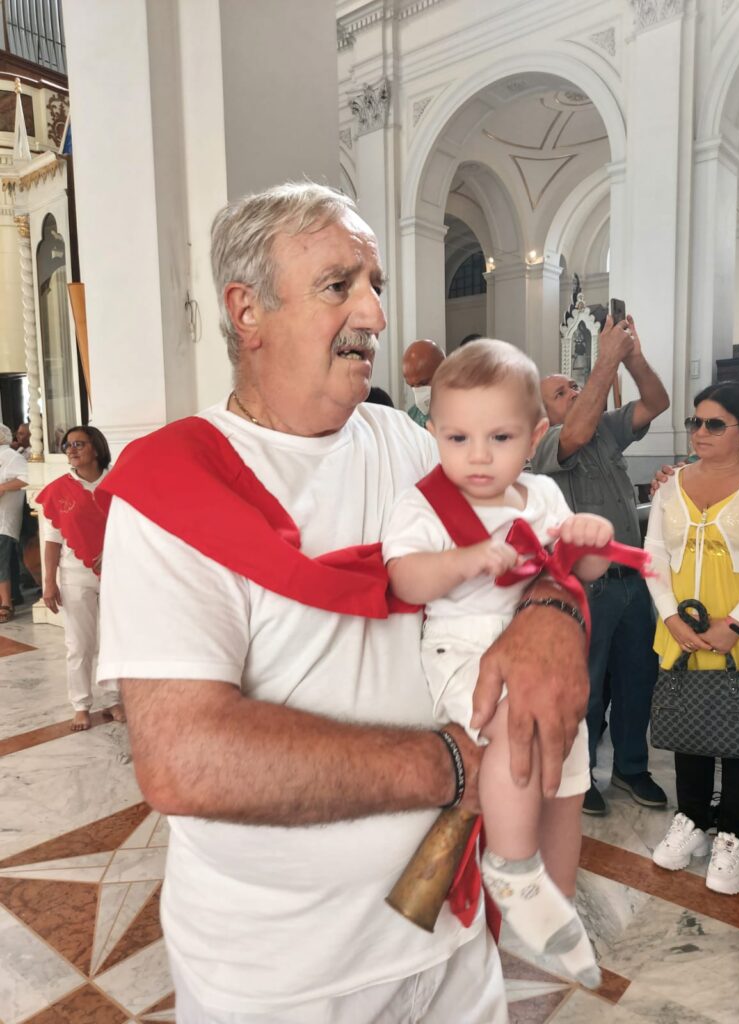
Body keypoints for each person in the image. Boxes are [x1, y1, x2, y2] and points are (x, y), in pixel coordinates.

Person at [95, 182, 589, 1024]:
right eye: (339, 285)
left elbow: (538, 544)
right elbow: (187, 759)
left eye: (377, 284)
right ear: (247, 310)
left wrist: (552, 613)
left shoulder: (407, 444)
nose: (375, 314)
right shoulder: (174, 487)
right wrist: (454, 766)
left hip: (451, 932)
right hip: (287, 975)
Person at [383, 339, 613, 988]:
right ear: (433, 433)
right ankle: (512, 867)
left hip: (540, 652)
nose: (477, 456)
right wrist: (464, 559)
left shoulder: (541, 496)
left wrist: (587, 536)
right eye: (457, 437)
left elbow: (584, 572)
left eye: (500, 436)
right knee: (517, 725)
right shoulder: (422, 505)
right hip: (463, 649)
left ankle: (555, 899)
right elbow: (405, 579)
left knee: (567, 769)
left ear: (537, 434)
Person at [532, 314, 670, 816]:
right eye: (562, 392)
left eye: (576, 387)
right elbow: (577, 428)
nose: (574, 393)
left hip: (631, 584)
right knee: (584, 688)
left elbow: (658, 402)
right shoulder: (546, 446)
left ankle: (632, 767)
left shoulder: (606, 434)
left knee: (638, 679)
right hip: (583, 591)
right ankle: (581, 774)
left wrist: (632, 357)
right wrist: (604, 362)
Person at [646, 382, 739, 894]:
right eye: (696, 422)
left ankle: (735, 832)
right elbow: (652, 554)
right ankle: (692, 818)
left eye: (715, 424)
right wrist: (671, 618)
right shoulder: (671, 483)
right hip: (682, 629)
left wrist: (734, 624)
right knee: (689, 724)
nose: (699, 432)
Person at [39, 426, 124, 731]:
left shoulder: (119, 483)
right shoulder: (59, 488)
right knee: (79, 643)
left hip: (119, 573)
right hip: (75, 575)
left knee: (113, 639)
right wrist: (49, 582)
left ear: (97, 449)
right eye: (67, 445)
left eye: (79, 444)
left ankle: (114, 699)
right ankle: (80, 704)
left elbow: (137, 526)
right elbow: (52, 540)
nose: (71, 450)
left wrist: (115, 549)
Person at [0, 424, 28, 623]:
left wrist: (1, 487)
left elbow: (27, 478)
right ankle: (12, 596)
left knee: (2, 562)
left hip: (4, 518)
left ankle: (6, 604)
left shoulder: (10, 455)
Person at [403, 338, 444, 427]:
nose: (418, 392)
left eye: (423, 383)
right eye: (412, 386)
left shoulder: (464, 412)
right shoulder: (412, 416)